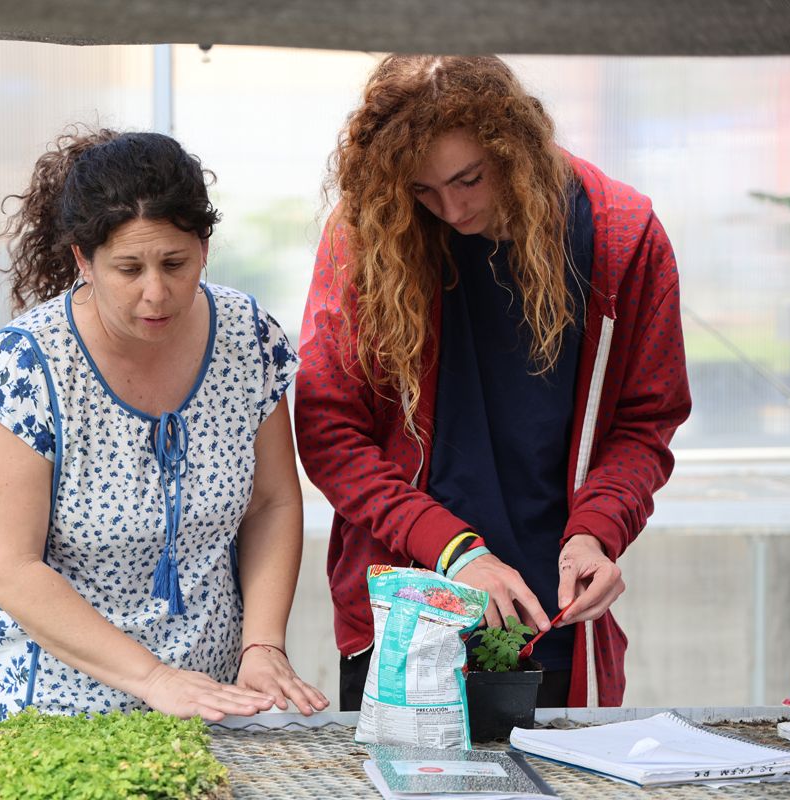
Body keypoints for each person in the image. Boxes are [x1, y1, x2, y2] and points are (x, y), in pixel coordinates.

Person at [295, 55, 692, 710]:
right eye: (423, 190)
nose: (451, 209)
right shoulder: (371, 234)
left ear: (515, 146)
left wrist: (596, 531)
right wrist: (453, 551)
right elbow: (330, 433)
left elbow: (644, 423)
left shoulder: (623, 235)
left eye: (469, 178)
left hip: (555, 619)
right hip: (405, 617)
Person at [0, 128, 329, 722]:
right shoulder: (23, 369)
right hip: (49, 703)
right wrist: (152, 678)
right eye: (129, 268)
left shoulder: (248, 338)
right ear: (83, 260)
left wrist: (263, 645)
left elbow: (272, 502)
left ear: (204, 246)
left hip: (206, 695)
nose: (157, 293)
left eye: (175, 264)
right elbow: (5, 566)